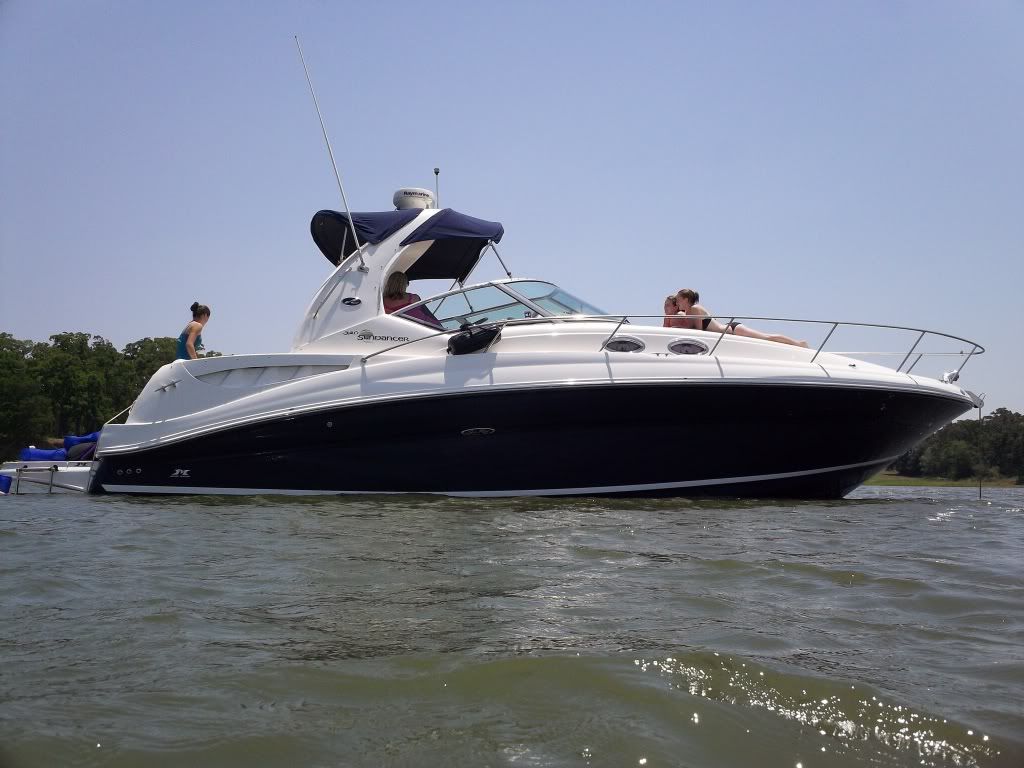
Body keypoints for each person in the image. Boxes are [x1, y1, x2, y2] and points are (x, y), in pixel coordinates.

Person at [675, 289, 808, 347]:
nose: (677, 302)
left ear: (686, 299)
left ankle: (799, 343)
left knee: (766, 338)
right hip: (726, 333)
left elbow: (699, 331)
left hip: (732, 330)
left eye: (679, 300)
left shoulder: (695, 309)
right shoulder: (688, 312)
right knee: (766, 338)